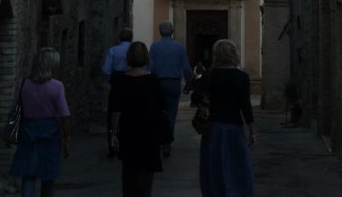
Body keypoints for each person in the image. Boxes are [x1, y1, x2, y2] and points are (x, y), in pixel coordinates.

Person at [10, 47, 71, 197]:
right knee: (48, 176)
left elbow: (14, 109)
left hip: (27, 130)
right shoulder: (57, 86)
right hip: (50, 133)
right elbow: (64, 115)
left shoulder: (23, 84)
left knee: (28, 174)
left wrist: (10, 130)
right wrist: (66, 138)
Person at [198, 39, 256, 197]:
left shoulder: (209, 75)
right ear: (234, 54)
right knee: (236, 168)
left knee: (214, 169)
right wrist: (252, 131)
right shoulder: (242, 77)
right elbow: (246, 106)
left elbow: (198, 99)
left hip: (213, 129)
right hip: (234, 129)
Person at [109, 41, 167, 197]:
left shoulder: (121, 80)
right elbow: (162, 105)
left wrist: (114, 133)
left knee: (129, 177)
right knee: (146, 180)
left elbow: (116, 109)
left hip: (129, 132)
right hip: (149, 132)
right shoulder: (153, 80)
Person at [149, 21, 193, 157]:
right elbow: (185, 67)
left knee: (156, 113)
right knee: (171, 115)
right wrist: (189, 82)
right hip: (173, 83)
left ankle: (157, 141)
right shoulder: (179, 47)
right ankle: (167, 144)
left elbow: (150, 66)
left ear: (160, 31)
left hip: (157, 84)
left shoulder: (154, 47)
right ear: (172, 31)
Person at [103, 27, 133, 157]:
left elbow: (106, 70)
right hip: (132, 81)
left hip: (117, 83)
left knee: (113, 113)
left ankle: (112, 145)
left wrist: (112, 81)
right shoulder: (134, 50)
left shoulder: (113, 50)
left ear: (119, 37)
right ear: (131, 37)